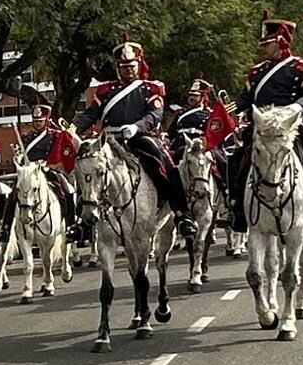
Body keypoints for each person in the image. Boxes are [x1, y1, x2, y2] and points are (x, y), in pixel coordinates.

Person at [224, 12, 303, 229]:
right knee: (237, 158)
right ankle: (236, 207)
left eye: (267, 43)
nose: (263, 48)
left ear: (280, 42)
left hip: (293, 121)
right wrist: (226, 112)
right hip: (263, 124)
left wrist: (296, 107)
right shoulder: (257, 72)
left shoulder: (301, 67)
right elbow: (245, 99)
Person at [76, 39, 194, 238]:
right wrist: (73, 129)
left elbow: (155, 114)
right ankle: (82, 220)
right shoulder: (105, 91)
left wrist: (136, 127)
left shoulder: (150, 88)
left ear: (139, 65)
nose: (128, 70)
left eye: (132, 66)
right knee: (86, 166)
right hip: (109, 139)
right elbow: (91, 114)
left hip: (140, 136)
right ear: (117, 68)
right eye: (124, 67)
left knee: (165, 162)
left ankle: (181, 214)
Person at [14, 97, 81, 226]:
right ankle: (6, 226)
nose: (37, 123)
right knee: (13, 193)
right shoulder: (27, 138)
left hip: (48, 169)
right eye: (35, 120)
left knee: (68, 190)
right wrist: (18, 159)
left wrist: (56, 165)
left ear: (46, 120)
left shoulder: (55, 135)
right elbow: (21, 156)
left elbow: (64, 153)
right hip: (29, 171)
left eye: (40, 120)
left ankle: (70, 223)